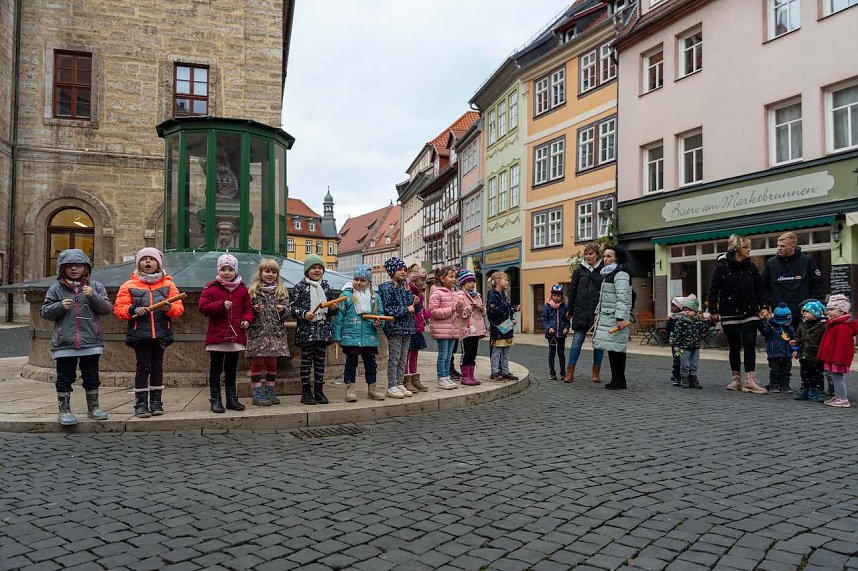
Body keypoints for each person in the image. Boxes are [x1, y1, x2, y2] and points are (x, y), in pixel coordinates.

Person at [40, 249, 113, 426]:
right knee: (64, 377)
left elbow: (107, 309)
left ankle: (93, 408)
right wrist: (59, 306)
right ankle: (64, 410)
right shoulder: (55, 289)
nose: (74, 269)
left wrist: (93, 296)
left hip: (91, 342)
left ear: (86, 268)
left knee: (92, 376)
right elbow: (44, 312)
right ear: (62, 269)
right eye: (69, 266)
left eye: (78, 265)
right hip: (65, 343)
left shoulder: (95, 287)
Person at [114, 248, 184, 417]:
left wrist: (169, 308)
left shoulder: (168, 284)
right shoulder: (128, 285)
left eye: (151, 259)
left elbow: (178, 309)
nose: (147, 262)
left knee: (157, 367)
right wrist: (134, 309)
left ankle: (156, 402)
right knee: (143, 368)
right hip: (140, 335)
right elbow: (119, 309)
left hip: (161, 334)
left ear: (158, 263)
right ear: (138, 263)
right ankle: (140, 403)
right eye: (144, 259)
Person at [708, 234, 767, 394]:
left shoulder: (751, 267)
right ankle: (736, 379)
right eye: (746, 247)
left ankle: (750, 380)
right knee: (734, 346)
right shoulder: (722, 267)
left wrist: (764, 306)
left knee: (749, 343)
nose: (749, 250)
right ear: (736, 249)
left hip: (750, 310)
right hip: (729, 311)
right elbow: (713, 289)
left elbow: (760, 288)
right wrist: (713, 310)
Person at [198, 254, 253, 412]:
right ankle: (215, 399)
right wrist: (220, 305)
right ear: (218, 270)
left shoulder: (242, 289)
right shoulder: (211, 287)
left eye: (230, 269)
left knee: (231, 368)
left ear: (235, 271)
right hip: (217, 336)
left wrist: (247, 320)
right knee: (216, 368)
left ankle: (231, 399)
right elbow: (203, 307)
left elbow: (247, 308)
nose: (227, 272)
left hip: (235, 336)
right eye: (223, 269)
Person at [289, 254, 339, 405]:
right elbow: (292, 308)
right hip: (306, 332)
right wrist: (304, 314)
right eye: (313, 268)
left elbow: (331, 311)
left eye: (320, 268)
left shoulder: (327, 287)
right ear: (307, 271)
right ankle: (306, 392)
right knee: (305, 362)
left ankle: (319, 390)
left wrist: (333, 309)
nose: (317, 270)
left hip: (323, 332)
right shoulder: (300, 287)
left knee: (320, 363)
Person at [332, 264, 386, 402]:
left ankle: (372, 388)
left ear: (369, 282)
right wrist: (337, 336)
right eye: (356, 279)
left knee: (371, 364)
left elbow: (380, 315)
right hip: (351, 336)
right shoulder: (346, 295)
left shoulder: (374, 298)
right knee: (351, 363)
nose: (359, 283)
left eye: (363, 280)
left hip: (369, 336)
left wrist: (379, 322)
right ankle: (349, 389)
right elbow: (339, 317)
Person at [246, 259, 291, 406]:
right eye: (267, 271)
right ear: (260, 273)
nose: (270, 274)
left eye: (273, 272)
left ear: (277, 274)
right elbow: (246, 311)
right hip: (258, 333)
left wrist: (283, 310)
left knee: (272, 363)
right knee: (257, 362)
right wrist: (254, 310)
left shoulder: (281, 291)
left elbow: (288, 310)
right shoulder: (253, 290)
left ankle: (270, 391)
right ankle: (257, 393)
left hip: (275, 334)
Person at [760, 231, 824, 327]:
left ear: (792, 247)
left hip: (803, 316)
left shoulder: (807, 261)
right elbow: (764, 287)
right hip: (779, 315)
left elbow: (817, 285)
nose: (779, 248)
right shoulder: (771, 263)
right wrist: (769, 303)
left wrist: (812, 307)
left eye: (782, 246)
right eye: (778, 245)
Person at [592, 245, 633, 390]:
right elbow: (604, 298)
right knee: (613, 348)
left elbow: (622, 297)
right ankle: (616, 379)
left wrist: (620, 318)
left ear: (617, 258)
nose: (605, 259)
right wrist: (598, 313)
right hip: (608, 316)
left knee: (617, 349)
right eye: (604, 256)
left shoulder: (621, 274)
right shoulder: (609, 274)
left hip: (615, 318)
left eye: (609, 256)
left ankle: (619, 380)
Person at [379, 256, 418, 399]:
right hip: (394, 327)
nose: (403, 272)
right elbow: (388, 309)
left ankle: (400, 382)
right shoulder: (386, 287)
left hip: (407, 327)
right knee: (394, 358)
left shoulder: (406, 287)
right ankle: (392, 385)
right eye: (399, 269)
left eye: (404, 269)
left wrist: (416, 303)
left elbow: (414, 308)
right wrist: (406, 309)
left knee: (403, 358)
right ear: (392, 271)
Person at [565, 243, 604, 382]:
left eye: (591, 254)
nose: (588, 256)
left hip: (596, 313)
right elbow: (572, 291)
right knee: (576, 343)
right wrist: (570, 310)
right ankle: (570, 372)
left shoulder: (603, 271)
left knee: (598, 344)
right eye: (586, 254)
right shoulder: (579, 271)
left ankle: (596, 372)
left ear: (597, 255)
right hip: (580, 311)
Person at [428, 266, 466, 390]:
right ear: (442, 278)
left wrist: (460, 308)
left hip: (453, 328)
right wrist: (450, 310)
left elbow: (459, 313)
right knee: (443, 354)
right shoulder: (436, 293)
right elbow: (433, 311)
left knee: (449, 355)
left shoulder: (455, 293)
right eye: (451, 276)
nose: (454, 279)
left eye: (454, 276)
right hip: (442, 328)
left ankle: (447, 376)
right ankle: (441, 377)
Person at [818, 294, 858, 408]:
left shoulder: (843, 326)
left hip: (837, 359)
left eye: (832, 309)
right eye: (828, 309)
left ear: (842, 311)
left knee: (838, 378)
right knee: (836, 378)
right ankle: (838, 396)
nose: (828, 312)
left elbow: (842, 345)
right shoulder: (835, 324)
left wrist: (838, 359)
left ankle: (842, 399)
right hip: (834, 357)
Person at [668, 296, 716, 389]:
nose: (686, 312)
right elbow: (676, 333)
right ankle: (682, 377)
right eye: (685, 310)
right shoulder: (681, 321)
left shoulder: (697, 322)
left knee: (694, 363)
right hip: (682, 347)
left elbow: (703, 327)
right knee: (681, 362)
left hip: (695, 346)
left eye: (689, 310)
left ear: (695, 312)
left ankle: (693, 377)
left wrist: (711, 322)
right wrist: (676, 345)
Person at [791, 300, 826, 402]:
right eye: (803, 311)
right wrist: (795, 342)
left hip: (817, 356)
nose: (803, 313)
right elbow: (798, 336)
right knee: (804, 374)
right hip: (804, 355)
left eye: (807, 311)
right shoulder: (802, 325)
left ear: (815, 313)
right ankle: (804, 390)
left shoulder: (823, 326)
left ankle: (819, 391)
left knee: (818, 375)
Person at [487, 271, 519, 382]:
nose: (507, 282)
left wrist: (512, 317)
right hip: (498, 329)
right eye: (505, 280)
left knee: (506, 352)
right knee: (497, 352)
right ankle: (495, 372)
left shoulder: (504, 295)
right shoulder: (493, 295)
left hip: (507, 328)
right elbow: (492, 312)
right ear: (497, 281)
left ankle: (505, 371)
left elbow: (507, 310)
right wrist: (505, 305)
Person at [759, 303, 796, 394]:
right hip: (774, 353)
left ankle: (785, 385)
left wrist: (794, 349)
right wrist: (763, 321)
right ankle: (774, 385)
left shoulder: (789, 329)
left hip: (787, 353)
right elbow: (764, 331)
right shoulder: (770, 327)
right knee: (775, 371)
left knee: (786, 371)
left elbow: (794, 339)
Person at [457, 268, 486, 386]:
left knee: (473, 353)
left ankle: (471, 375)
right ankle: (465, 376)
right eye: (469, 281)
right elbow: (461, 313)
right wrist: (472, 306)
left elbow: (483, 313)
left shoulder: (477, 295)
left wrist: (481, 308)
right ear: (463, 283)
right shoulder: (459, 296)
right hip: (466, 329)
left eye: (473, 281)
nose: (472, 284)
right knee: (467, 353)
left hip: (476, 329)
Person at [405, 264, 430, 393]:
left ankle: (415, 379)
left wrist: (427, 315)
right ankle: (406, 379)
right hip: (409, 327)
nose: (424, 283)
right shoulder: (408, 291)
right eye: (422, 280)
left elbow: (421, 309)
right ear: (414, 280)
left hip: (417, 328)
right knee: (407, 355)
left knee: (414, 354)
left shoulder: (420, 294)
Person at [542, 285, 570, 381]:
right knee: (552, 353)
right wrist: (548, 328)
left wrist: (566, 328)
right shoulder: (547, 306)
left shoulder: (564, 307)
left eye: (558, 296)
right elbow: (544, 320)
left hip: (561, 335)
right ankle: (552, 373)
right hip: (552, 336)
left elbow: (567, 320)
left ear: (561, 296)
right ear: (551, 295)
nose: (556, 297)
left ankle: (563, 373)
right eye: (554, 295)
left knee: (561, 353)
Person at [666, 295, 693, 387]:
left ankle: (686, 376)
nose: (672, 308)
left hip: (684, 343)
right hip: (675, 344)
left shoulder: (684, 319)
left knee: (685, 360)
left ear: (680, 308)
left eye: (674, 306)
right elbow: (668, 328)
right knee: (677, 359)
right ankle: (676, 376)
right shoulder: (672, 318)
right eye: (672, 306)